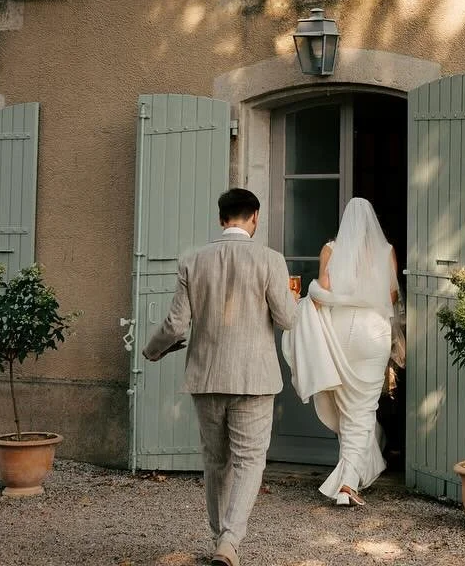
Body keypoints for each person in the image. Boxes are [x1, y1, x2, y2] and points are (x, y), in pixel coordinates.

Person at [143, 188, 298, 566]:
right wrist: (292, 296)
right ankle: (229, 542)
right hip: (254, 378)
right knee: (249, 460)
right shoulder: (271, 260)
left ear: (220, 219)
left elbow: (176, 324)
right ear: (255, 218)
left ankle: (220, 537)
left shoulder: (192, 261)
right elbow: (287, 320)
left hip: (206, 376)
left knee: (215, 460)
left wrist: (151, 351)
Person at [283, 197, 403, 507]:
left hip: (340, 332)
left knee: (348, 405)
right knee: (362, 408)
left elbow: (322, 295)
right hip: (373, 332)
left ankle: (350, 477)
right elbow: (391, 296)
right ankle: (349, 483)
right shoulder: (386, 251)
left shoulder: (330, 250)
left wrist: (311, 292)